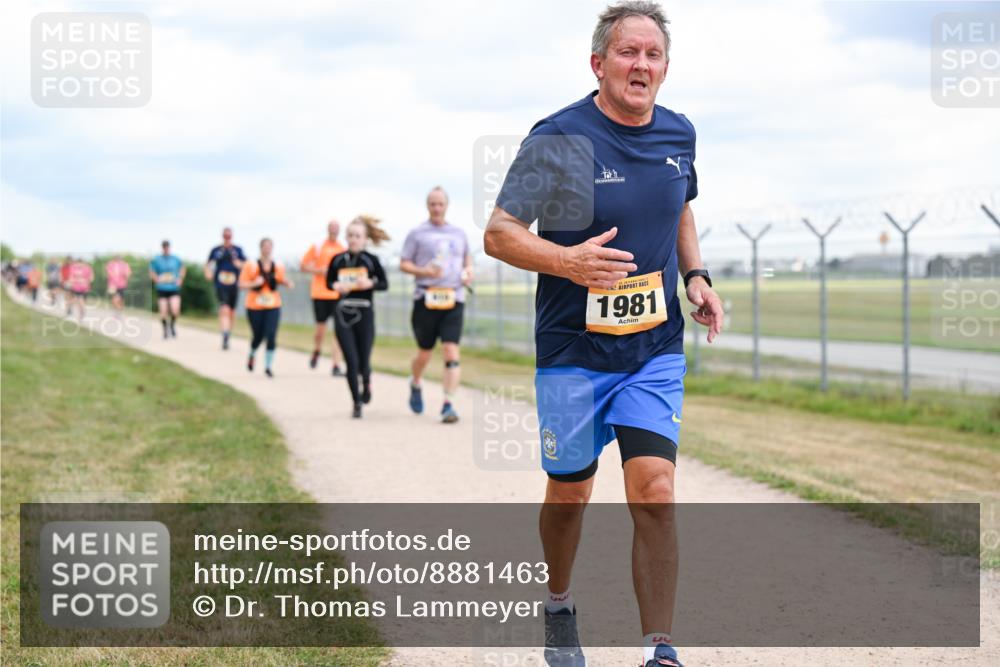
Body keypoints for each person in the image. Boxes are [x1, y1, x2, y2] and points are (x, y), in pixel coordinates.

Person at [483, 3, 724, 666]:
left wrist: (696, 276)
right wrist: (568, 261)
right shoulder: (558, 136)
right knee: (570, 492)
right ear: (598, 63)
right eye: (628, 52)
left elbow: (681, 207)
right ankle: (559, 604)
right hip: (573, 351)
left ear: (665, 68)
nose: (641, 65)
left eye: (653, 55)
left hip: (652, 346)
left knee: (656, 488)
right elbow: (499, 233)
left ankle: (659, 649)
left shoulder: (679, 133)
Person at [399, 186, 473, 423]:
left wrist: (468, 273)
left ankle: (448, 404)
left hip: (454, 298)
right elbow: (404, 263)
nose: (437, 208)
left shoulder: (459, 233)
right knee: (425, 353)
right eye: (433, 204)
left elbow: (467, 261)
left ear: (447, 205)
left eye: (440, 204)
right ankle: (415, 382)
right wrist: (424, 271)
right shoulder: (417, 233)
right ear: (427, 206)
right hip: (426, 299)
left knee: (451, 350)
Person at [326, 215, 390, 418]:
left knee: (363, 361)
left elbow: (384, 284)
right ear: (346, 237)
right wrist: (336, 286)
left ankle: (367, 381)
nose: (353, 239)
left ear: (365, 239)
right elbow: (329, 282)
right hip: (343, 313)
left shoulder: (371, 260)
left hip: (365, 312)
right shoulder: (337, 260)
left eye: (357, 236)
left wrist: (370, 283)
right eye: (350, 235)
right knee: (351, 362)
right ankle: (356, 403)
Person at [239, 237, 293, 378]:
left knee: (271, 334)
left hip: (273, 305)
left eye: (270, 246)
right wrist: (254, 283)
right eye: (265, 246)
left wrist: (287, 283)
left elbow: (281, 280)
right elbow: (241, 284)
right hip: (254, 306)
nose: (267, 248)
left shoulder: (278, 265)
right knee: (258, 335)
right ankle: (252, 354)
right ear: (261, 247)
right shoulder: (251, 265)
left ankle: (268, 366)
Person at [301, 221, 347, 376]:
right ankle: (317, 350)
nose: (334, 231)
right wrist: (319, 270)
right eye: (332, 228)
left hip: (336, 294)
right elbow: (303, 266)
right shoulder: (318, 246)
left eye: (336, 228)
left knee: (339, 331)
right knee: (320, 330)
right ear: (328, 229)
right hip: (320, 293)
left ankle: (336, 365)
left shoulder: (342, 248)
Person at [204, 227, 247, 350]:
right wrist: (208, 273)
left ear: (232, 236)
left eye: (229, 235)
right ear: (222, 236)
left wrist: (239, 264)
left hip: (234, 285)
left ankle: (228, 333)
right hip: (221, 284)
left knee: (232, 312)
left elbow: (246, 265)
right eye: (225, 235)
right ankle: (225, 335)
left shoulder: (238, 250)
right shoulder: (216, 250)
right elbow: (208, 264)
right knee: (224, 309)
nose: (227, 237)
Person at [149, 240, 185, 339]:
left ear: (169, 247)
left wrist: (180, 279)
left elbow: (182, 268)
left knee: (175, 310)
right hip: (162, 288)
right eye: (164, 247)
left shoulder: (176, 259)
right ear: (162, 248)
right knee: (163, 311)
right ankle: (165, 329)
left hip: (174, 288)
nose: (166, 249)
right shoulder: (157, 259)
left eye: (167, 247)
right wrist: (156, 279)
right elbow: (151, 271)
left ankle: (172, 325)